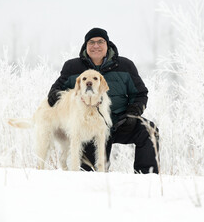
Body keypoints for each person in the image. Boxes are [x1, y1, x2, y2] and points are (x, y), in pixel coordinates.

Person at [47, 28, 159, 174]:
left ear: (107, 44)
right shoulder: (73, 67)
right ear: (85, 46)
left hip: (121, 122)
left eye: (100, 42)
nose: (96, 46)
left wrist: (133, 113)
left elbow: (140, 94)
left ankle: (147, 177)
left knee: (149, 131)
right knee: (90, 173)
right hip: (89, 126)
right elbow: (55, 94)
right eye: (91, 42)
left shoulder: (125, 66)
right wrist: (63, 103)